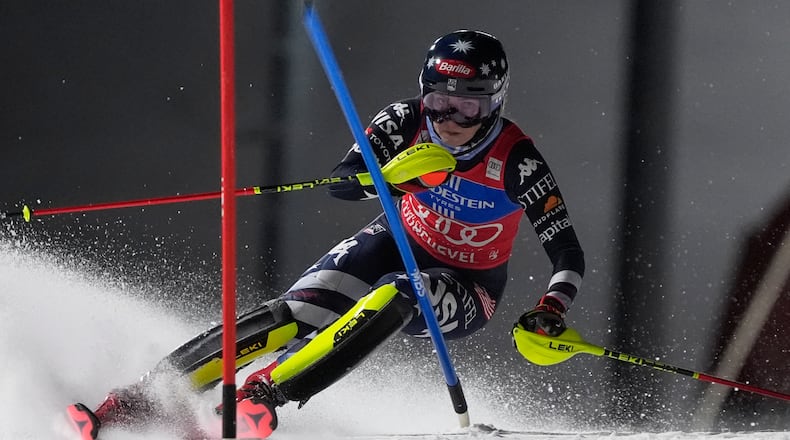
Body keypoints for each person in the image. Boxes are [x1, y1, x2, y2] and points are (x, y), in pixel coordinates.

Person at [66, 29, 585, 440]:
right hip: (395, 238)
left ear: (495, 102)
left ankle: (262, 397)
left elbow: (566, 249)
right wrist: (392, 178)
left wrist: (551, 308)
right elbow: (341, 183)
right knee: (295, 313)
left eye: (468, 107)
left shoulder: (516, 159)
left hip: (469, 284)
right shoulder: (404, 120)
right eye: (438, 101)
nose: (449, 119)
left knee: (403, 292)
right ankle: (138, 401)